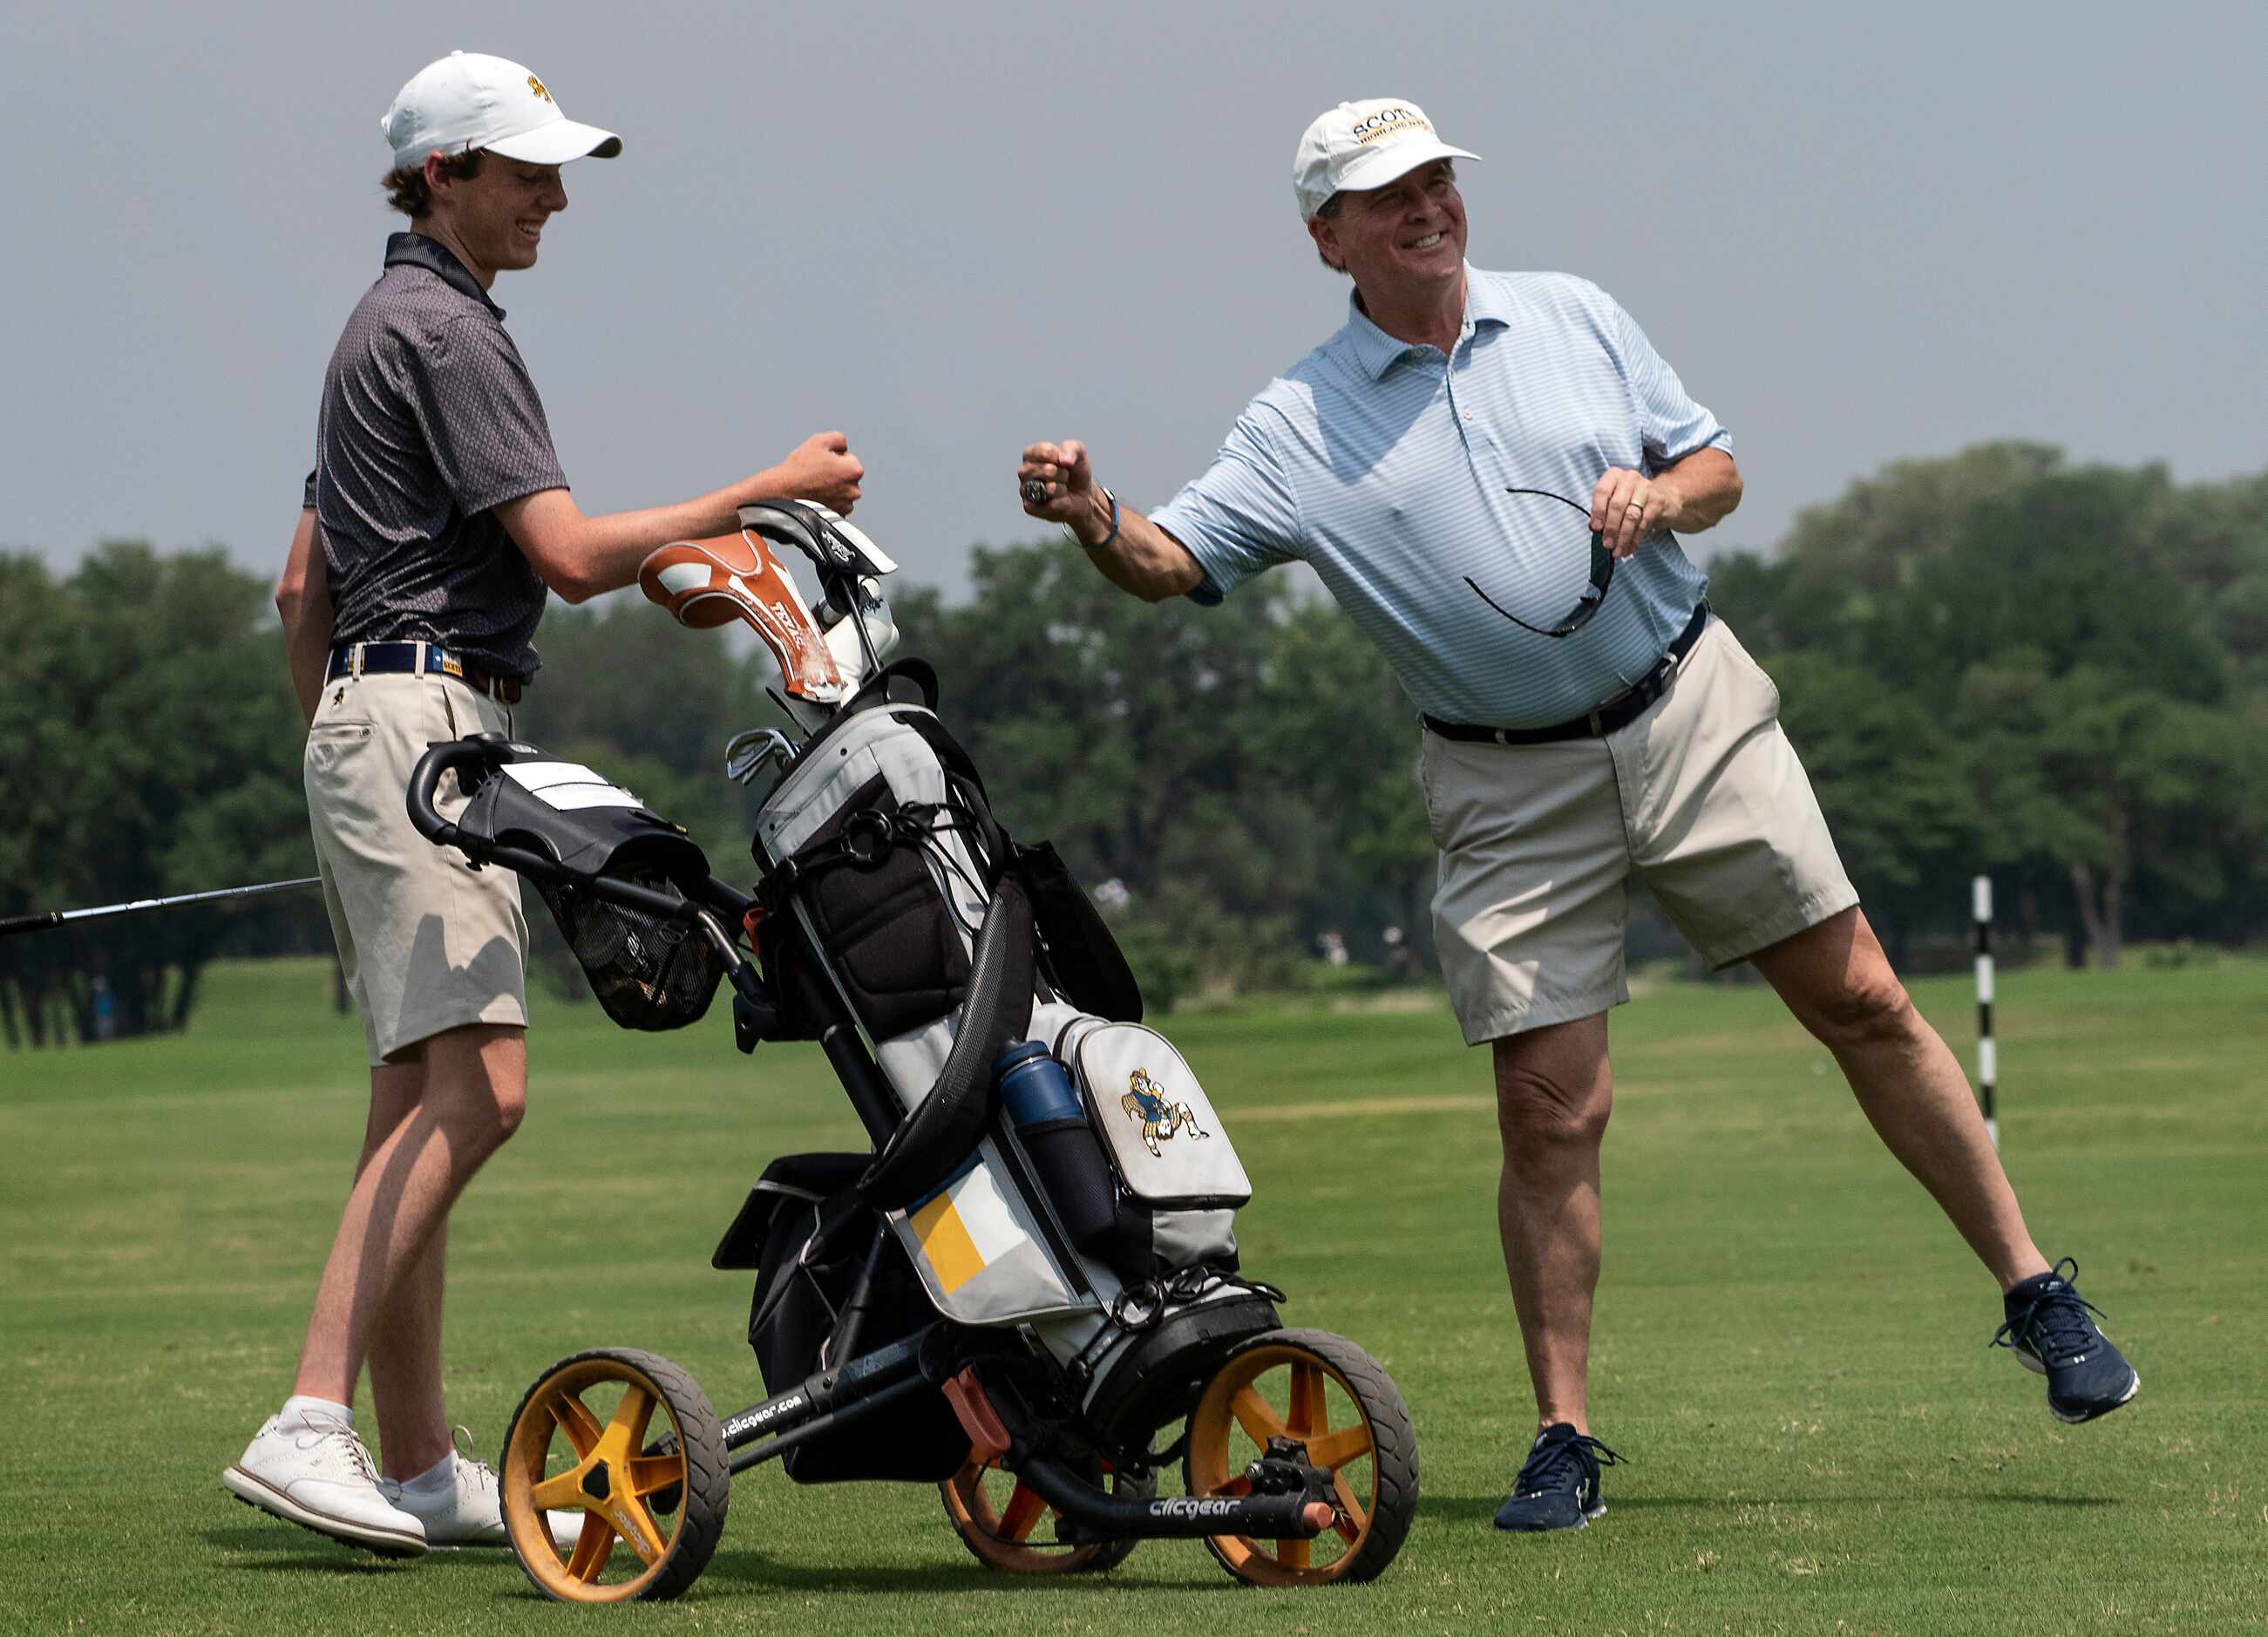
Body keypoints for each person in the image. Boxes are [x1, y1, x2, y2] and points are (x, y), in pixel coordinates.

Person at [1016, 97, 2137, 1536]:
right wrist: (1094, 513)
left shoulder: (1573, 315)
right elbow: (1174, 564)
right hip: (1503, 778)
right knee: (1551, 1113)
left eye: (1434, 177)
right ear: (1326, 238)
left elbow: (1719, 468)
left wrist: (1661, 494)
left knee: (1860, 999)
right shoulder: (1294, 420)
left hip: (1686, 709)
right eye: (1386, 191)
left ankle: (2035, 1292)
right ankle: (1562, 1435)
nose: (1425, 203)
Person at [227, 50, 865, 1557]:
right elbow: (572, 557)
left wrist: (342, 749)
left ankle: (413, 1455)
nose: (555, 198)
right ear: (442, 174)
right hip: (428, 715)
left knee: (415, 1097)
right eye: (526, 173)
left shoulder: (381, 324)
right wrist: (764, 490)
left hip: (386, 718)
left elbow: (298, 583)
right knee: (486, 1090)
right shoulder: (444, 330)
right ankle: (304, 1422)